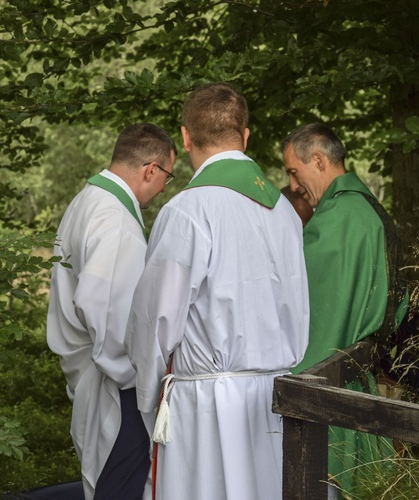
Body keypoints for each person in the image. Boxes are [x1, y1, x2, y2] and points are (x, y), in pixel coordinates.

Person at [124, 83, 309, 500]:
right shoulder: (283, 211)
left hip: (208, 406)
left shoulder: (187, 211)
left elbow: (155, 321)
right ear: (246, 136)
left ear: (185, 137)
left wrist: (151, 400)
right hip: (277, 398)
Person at [46, 123, 177, 500]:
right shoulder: (116, 222)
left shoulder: (87, 200)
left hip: (90, 371)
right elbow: (109, 314)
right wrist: (145, 379)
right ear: (151, 169)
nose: (165, 186)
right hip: (118, 386)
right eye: (167, 176)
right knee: (119, 489)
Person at [281, 123, 409, 498]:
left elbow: (312, 316)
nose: (292, 185)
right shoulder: (365, 207)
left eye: (293, 171)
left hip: (330, 388)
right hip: (359, 374)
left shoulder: (337, 220)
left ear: (318, 160)